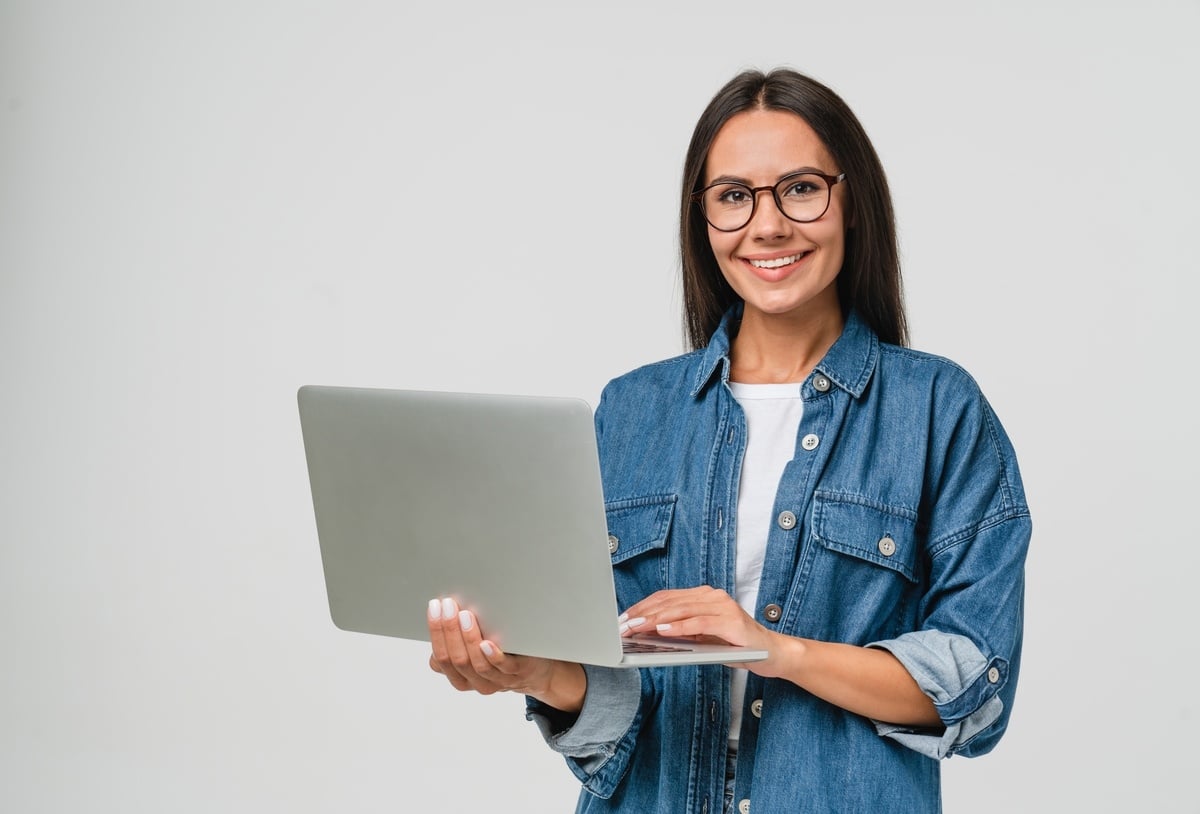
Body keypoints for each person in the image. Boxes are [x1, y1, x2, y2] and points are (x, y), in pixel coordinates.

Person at [425, 67, 1031, 814]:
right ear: (703, 219)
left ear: (853, 202)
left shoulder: (938, 406)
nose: (767, 225)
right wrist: (537, 675)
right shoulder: (632, 411)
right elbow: (617, 702)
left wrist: (775, 650)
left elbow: (972, 685)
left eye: (801, 188)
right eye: (734, 197)